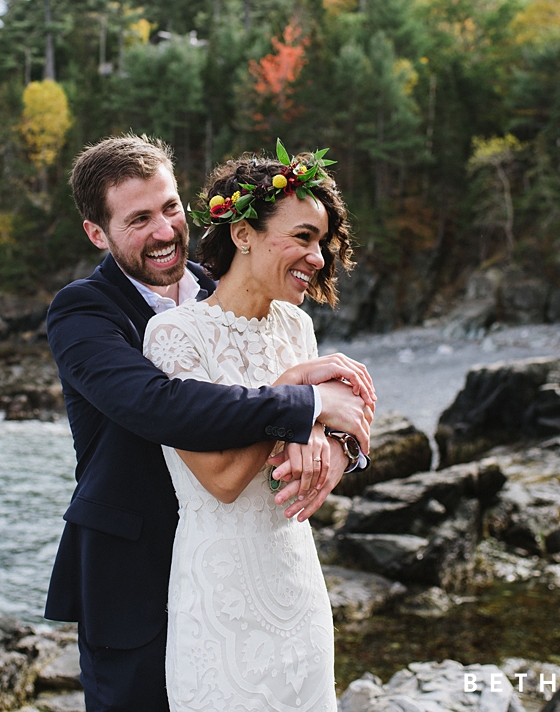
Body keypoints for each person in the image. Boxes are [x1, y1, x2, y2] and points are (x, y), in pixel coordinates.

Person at [44, 135, 375, 712]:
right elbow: (158, 404)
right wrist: (301, 402)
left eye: (170, 207)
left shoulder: (239, 293)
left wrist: (334, 443)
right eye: (138, 219)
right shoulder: (82, 311)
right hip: (136, 570)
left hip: (258, 562)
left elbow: (328, 416)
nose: (164, 230)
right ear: (98, 233)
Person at [142, 145, 356, 711]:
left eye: (323, 242)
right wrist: (296, 393)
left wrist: (333, 447)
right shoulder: (175, 337)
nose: (318, 256)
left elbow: (311, 446)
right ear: (243, 234)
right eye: (304, 237)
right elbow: (222, 479)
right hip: (221, 594)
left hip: (297, 583)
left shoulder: (297, 327)